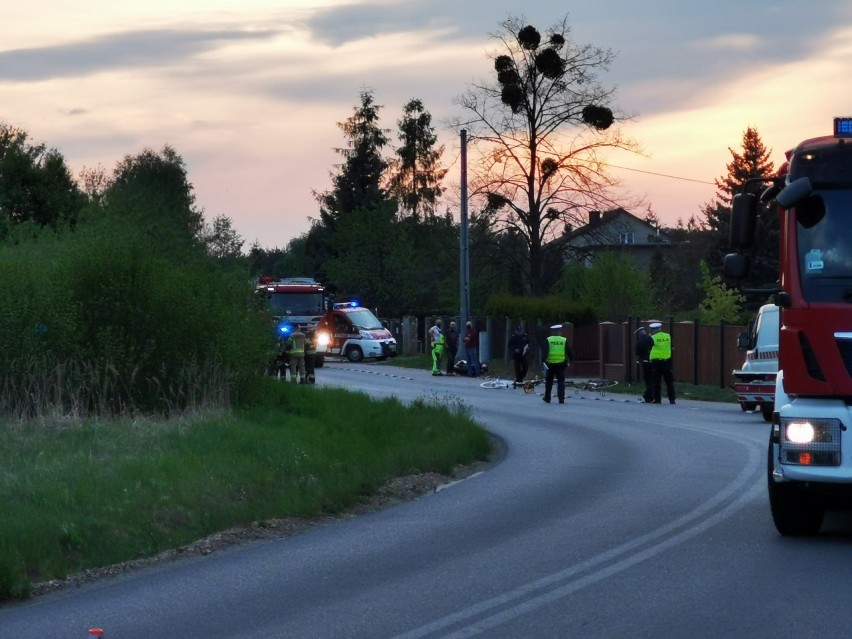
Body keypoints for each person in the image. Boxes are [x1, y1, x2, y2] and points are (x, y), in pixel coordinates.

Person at [542, 324, 573, 404]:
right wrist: (571, 360)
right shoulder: (563, 340)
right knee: (561, 382)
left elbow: (545, 352)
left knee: (549, 382)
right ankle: (561, 399)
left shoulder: (549, 340)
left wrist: (543, 361)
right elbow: (569, 351)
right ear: (559, 331)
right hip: (561, 364)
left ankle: (547, 398)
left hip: (550, 364)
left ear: (552, 331)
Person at [649, 322, 676, 404]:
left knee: (657, 381)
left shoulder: (652, 338)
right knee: (669, 381)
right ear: (660, 328)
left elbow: (647, 347)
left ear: (653, 330)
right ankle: (672, 399)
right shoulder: (668, 336)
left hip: (656, 363)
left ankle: (657, 399)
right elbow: (673, 347)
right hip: (667, 362)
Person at [635, 325, 655, 403]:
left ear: (639, 334)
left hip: (644, 362)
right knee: (652, 379)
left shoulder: (638, 342)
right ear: (644, 332)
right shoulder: (650, 339)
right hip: (652, 361)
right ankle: (650, 396)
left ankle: (648, 395)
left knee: (647, 379)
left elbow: (636, 353)